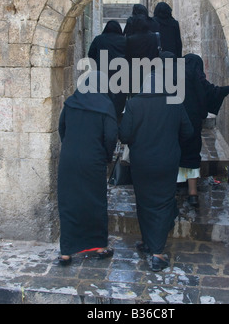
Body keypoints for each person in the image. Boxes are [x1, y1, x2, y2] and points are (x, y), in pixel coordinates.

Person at [119, 70, 193, 272]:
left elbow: (124, 135)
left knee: (144, 201)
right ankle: (157, 253)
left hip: (142, 162)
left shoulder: (134, 104)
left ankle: (148, 243)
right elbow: (188, 131)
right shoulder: (174, 102)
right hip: (167, 161)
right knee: (163, 202)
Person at [57, 71, 118, 265]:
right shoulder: (106, 106)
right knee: (95, 201)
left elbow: (62, 128)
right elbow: (110, 136)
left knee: (68, 203)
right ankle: (100, 246)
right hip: (93, 160)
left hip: (69, 159)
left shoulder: (70, 102)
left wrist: (70, 148)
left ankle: (66, 252)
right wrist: (106, 156)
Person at [178, 54, 229, 207]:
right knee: (192, 155)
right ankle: (193, 194)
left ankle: (176, 186)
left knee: (176, 152)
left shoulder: (173, 75)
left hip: (174, 121)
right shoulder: (197, 77)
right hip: (192, 123)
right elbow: (212, 92)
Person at [88, 20, 126, 119]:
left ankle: (104, 117)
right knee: (119, 96)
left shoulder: (99, 39)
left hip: (103, 72)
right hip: (120, 73)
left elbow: (91, 54)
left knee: (104, 95)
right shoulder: (124, 40)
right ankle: (116, 117)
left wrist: (96, 67)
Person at [125, 14, 160, 97]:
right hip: (151, 70)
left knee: (135, 95)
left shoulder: (131, 39)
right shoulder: (154, 37)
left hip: (135, 71)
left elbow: (127, 56)